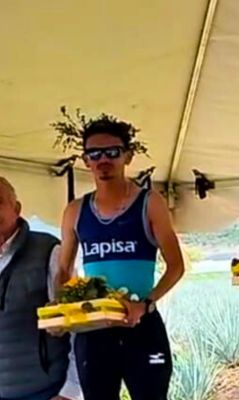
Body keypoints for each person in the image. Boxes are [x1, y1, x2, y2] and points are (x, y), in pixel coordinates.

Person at [56, 116, 184, 400]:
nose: (103, 160)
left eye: (112, 152)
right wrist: (62, 311)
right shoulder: (75, 211)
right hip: (95, 330)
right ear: (85, 161)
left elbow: (176, 266)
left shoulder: (150, 202)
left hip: (142, 326)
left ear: (128, 156)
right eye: (94, 154)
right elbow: (64, 269)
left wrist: (146, 304)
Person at [0, 177, 81, 400]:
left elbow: (78, 326)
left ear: (17, 208)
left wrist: (70, 391)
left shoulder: (49, 251)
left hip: (46, 392)